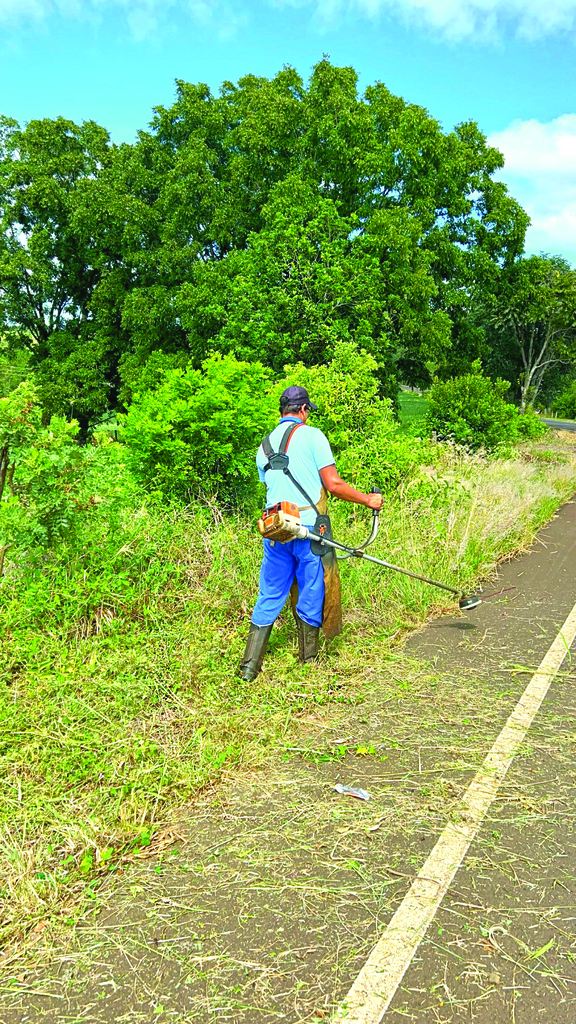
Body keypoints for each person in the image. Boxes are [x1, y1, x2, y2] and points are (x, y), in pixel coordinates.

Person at [238, 385, 384, 681]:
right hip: (307, 530)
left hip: (276, 528)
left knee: (270, 592)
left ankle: (249, 668)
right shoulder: (313, 435)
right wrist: (368, 500)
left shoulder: (263, 446)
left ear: (282, 411)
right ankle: (309, 661)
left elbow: (272, 486)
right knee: (311, 588)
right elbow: (333, 484)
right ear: (303, 410)